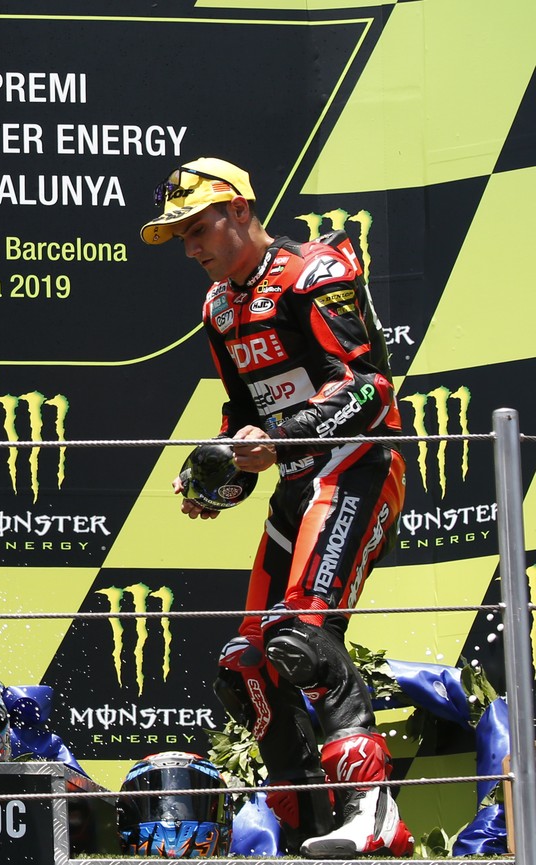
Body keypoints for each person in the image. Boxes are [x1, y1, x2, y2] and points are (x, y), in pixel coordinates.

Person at [141, 158, 412, 858]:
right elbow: (245, 418)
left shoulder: (314, 271)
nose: (192, 247)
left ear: (239, 211)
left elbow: (369, 389)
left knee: (300, 635)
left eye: (198, 228)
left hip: (358, 468)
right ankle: (310, 829)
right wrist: (216, 478)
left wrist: (279, 439)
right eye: (180, 237)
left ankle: (373, 810)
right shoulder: (219, 309)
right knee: (247, 662)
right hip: (299, 487)